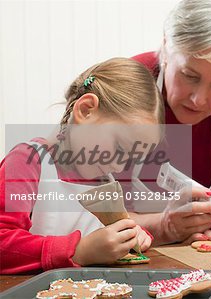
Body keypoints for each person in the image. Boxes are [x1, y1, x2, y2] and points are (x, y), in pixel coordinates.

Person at [0, 57, 163, 274]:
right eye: (120, 148)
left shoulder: (104, 179)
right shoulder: (27, 163)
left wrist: (134, 235)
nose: (119, 165)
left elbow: (109, 234)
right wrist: (79, 250)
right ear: (86, 110)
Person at [128, 0, 211, 244]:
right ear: (166, 46)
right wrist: (164, 226)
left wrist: (209, 223)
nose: (199, 100)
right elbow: (94, 208)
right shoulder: (129, 83)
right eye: (190, 76)